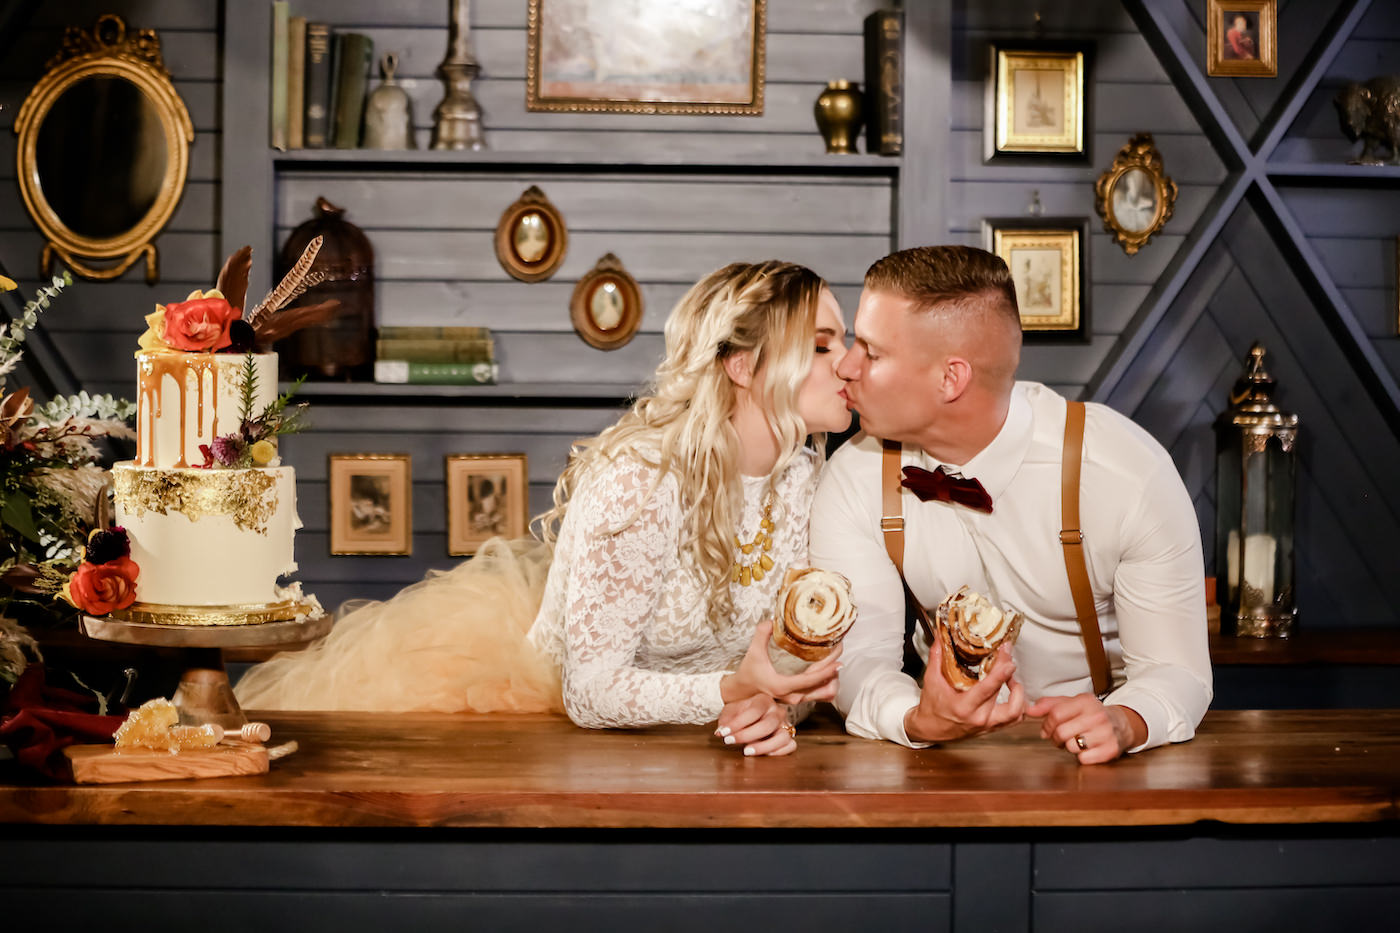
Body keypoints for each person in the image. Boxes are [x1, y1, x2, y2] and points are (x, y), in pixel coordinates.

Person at [236, 260, 852, 758]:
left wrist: (771, 710)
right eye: (823, 347)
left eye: (846, 342)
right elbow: (590, 694)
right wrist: (730, 692)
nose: (851, 363)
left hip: (695, 752)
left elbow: (784, 669)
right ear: (743, 366)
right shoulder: (642, 481)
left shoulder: (802, 472)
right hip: (551, 724)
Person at [809, 245, 1212, 765]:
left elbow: (1178, 670)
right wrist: (915, 718)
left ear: (950, 378)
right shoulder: (856, 475)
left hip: (1093, 770)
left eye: (872, 351)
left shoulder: (1123, 473)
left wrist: (1126, 720)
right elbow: (858, 657)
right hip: (940, 767)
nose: (845, 365)